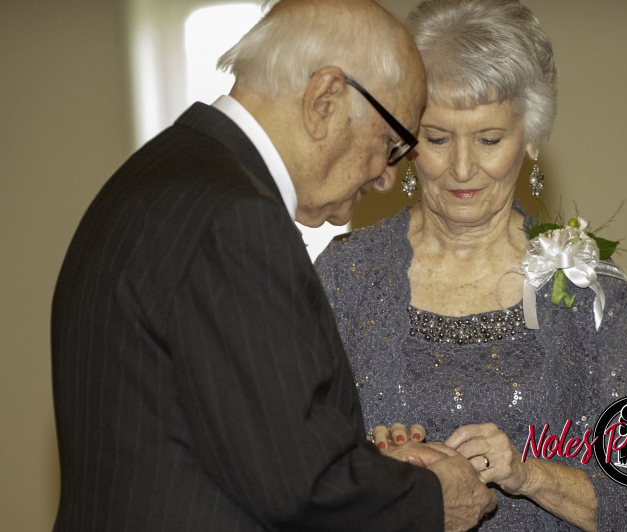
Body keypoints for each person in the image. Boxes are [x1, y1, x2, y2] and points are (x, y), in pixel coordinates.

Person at [50, 0, 496, 530]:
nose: (385, 176)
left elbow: (236, 445)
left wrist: (370, 468)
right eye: (392, 143)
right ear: (325, 100)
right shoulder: (235, 220)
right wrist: (435, 500)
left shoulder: (162, 175)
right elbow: (301, 487)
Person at [315, 1, 627, 530]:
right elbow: (286, 470)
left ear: (530, 137)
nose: (463, 168)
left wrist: (526, 474)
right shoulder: (347, 273)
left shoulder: (586, 283)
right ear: (407, 140)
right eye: (437, 139)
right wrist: (374, 470)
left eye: (489, 140)